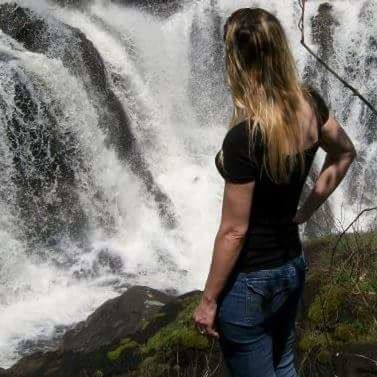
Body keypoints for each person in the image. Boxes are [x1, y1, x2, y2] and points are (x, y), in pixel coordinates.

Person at [192, 7, 357, 377]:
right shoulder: (310, 104)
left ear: (236, 61)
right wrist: (307, 210)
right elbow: (345, 152)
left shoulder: (245, 138)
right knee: (284, 368)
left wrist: (208, 300)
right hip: (290, 268)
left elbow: (234, 232)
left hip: (249, 283)